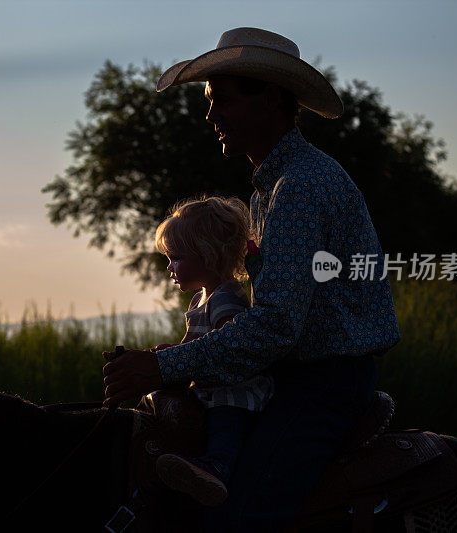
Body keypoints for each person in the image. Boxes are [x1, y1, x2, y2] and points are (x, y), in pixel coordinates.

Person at [102, 27, 400, 531]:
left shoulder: (299, 188)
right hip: (300, 375)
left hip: (323, 383)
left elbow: (275, 326)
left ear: (270, 99)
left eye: (223, 100)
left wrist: (165, 368)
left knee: (238, 518)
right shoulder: (273, 187)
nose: (210, 115)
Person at [149, 196, 273, 507]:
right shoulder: (200, 299)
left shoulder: (226, 298)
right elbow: (198, 346)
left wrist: (178, 358)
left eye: (176, 257)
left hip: (232, 389)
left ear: (208, 255)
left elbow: (228, 342)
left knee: (225, 418)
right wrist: (175, 352)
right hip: (212, 385)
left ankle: (218, 467)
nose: (169, 266)